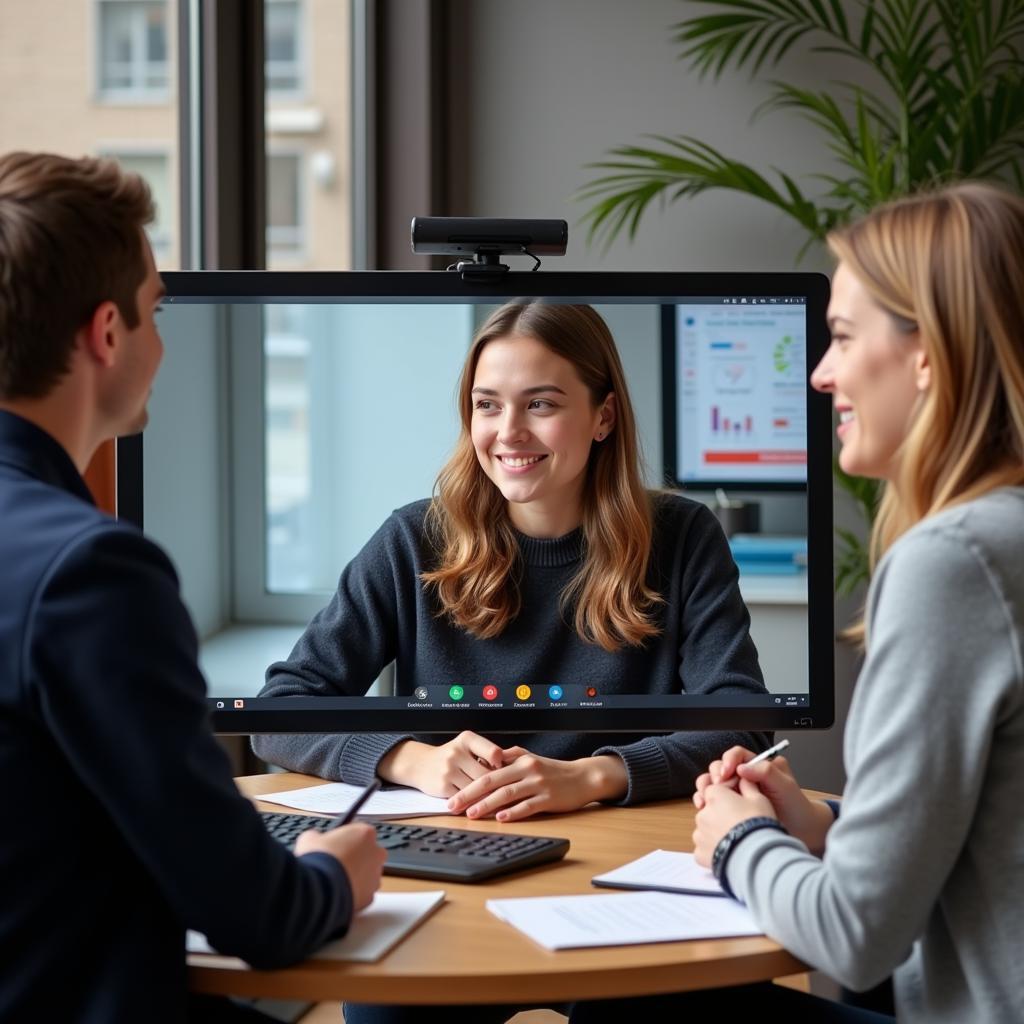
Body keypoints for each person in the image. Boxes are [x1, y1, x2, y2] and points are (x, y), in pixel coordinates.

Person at [254, 300, 771, 1022]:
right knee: (386, 1010)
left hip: (622, 879)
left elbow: (739, 719)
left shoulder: (682, 537)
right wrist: (407, 758)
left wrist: (592, 776)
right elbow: (278, 712)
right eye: (487, 405)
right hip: (457, 871)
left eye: (542, 405)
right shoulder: (413, 539)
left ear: (604, 416)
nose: (508, 433)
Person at [0, 151, 386, 1024]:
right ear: (107, 335)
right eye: (156, 313)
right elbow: (261, 918)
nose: (162, 343)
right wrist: (337, 868)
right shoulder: (89, 574)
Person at [682, 182, 1024, 1024]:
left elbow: (854, 933)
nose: (819, 374)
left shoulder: (956, 562)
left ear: (928, 355)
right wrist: (824, 821)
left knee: (634, 1007)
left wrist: (736, 839)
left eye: (839, 337)